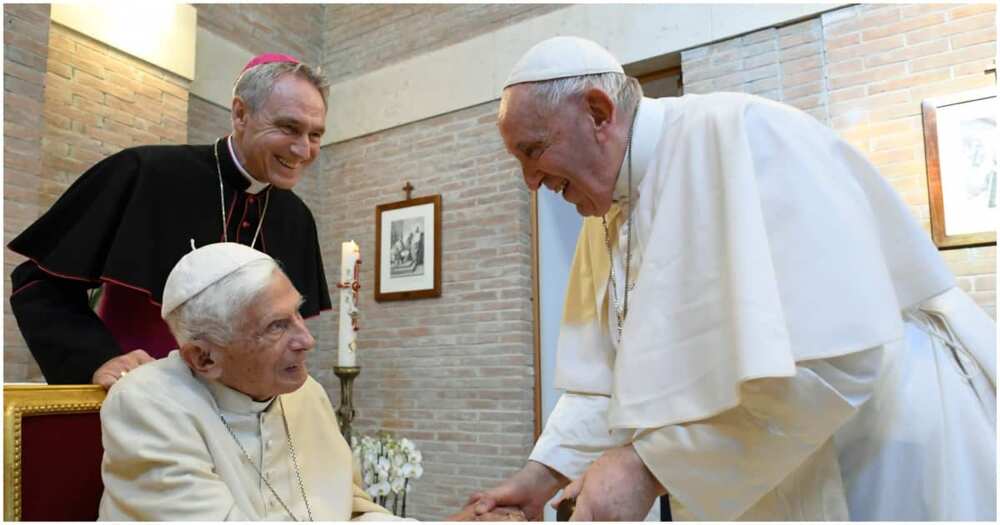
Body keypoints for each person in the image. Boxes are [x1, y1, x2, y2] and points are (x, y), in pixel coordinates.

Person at [468, 36, 997, 521]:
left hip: (876, 449)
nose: (531, 181)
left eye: (534, 152)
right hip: (771, 465)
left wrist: (650, 466)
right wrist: (543, 475)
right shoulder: (604, 211)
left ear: (598, 113)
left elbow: (839, 361)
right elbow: (606, 381)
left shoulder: (745, 134)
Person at [99, 241, 525, 521]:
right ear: (205, 357)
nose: (306, 339)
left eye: (298, 313)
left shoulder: (307, 395)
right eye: (276, 326)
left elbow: (352, 512)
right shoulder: (147, 403)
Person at [7, 53, 331, 389]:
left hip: (244, 419)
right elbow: (38, 282)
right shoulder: (145, 173)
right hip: (142, 404)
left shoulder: (298, 219)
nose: (302, 150)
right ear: (240, 114)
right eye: (289, 127)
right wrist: (98, 359)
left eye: (315, 135)